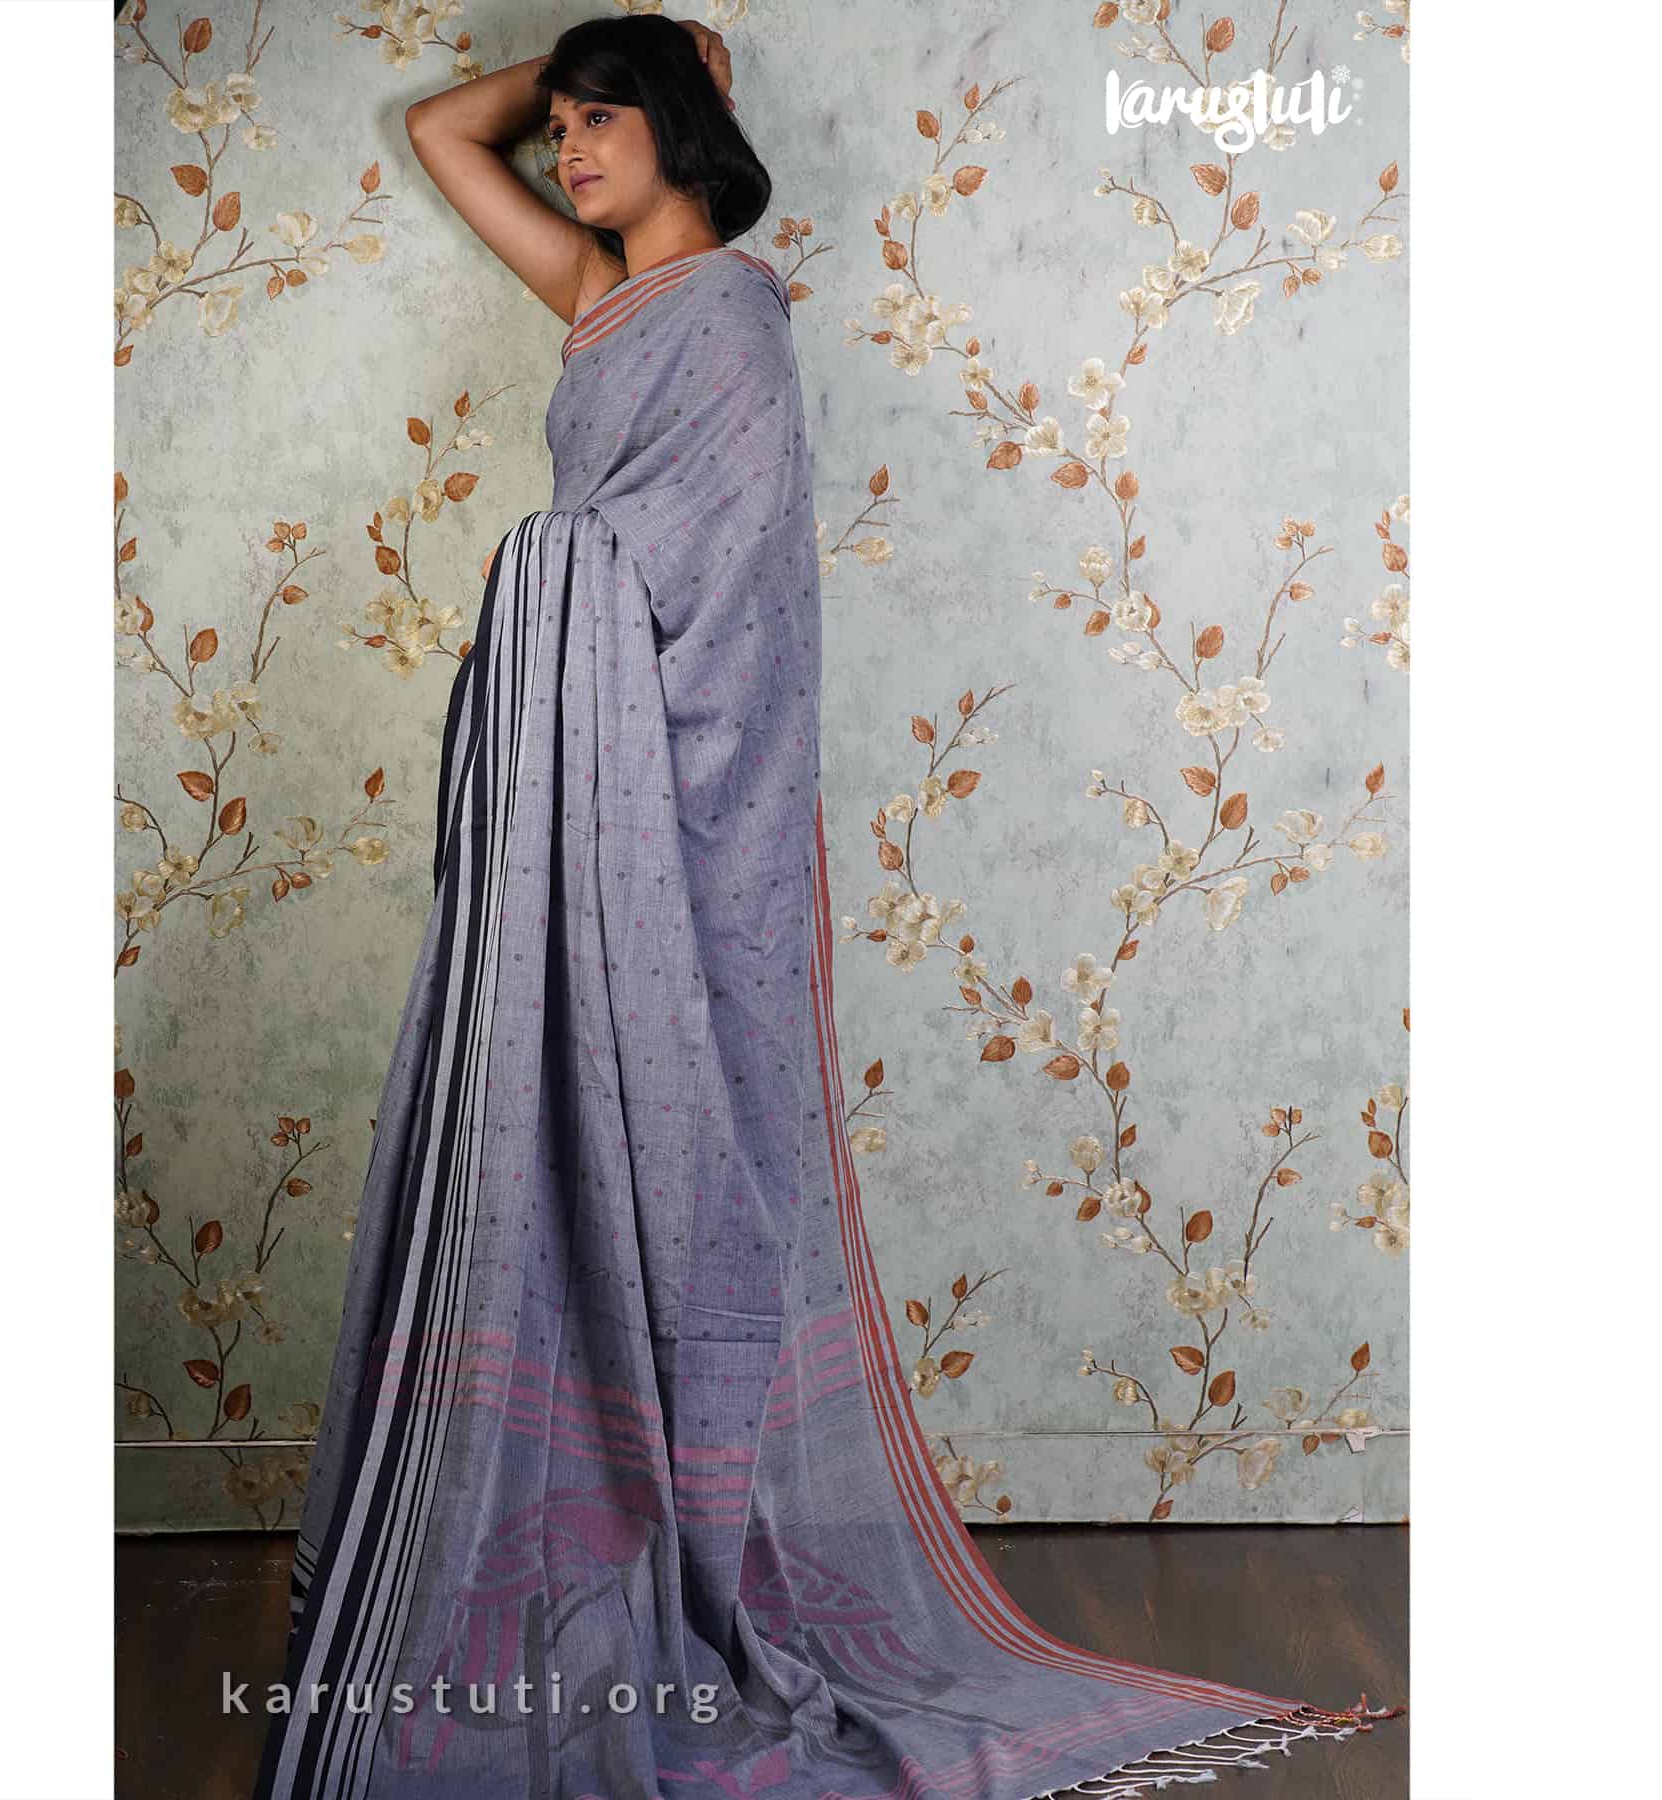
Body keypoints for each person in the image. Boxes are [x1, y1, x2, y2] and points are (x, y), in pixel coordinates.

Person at [249, 15, 1400, 1797]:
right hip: (563, 773)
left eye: (604, 122)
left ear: (681, 129)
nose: (569, 150)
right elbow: (440, 130)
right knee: (530, 1120)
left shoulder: (728, 322)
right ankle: (530, 1522)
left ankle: (691, 1523)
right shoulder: (592, 293)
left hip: (672, 783)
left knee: (693, 1145)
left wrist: (655, 68)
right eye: (564, 127)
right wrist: (601, 49)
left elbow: (743, 607)